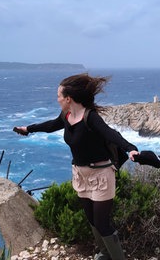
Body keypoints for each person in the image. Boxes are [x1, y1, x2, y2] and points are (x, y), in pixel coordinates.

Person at [13, 73, 139, 260]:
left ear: (68, 99)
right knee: (92, 220)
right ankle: (105, 254)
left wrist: (130, 148)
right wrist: (29, 129)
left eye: (59, 96)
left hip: (101, 174)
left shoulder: (91, 117)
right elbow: (52, 125)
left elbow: (110, 133)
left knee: (103, 223)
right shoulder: (67, 115)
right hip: (80, 174)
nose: (57, 99)